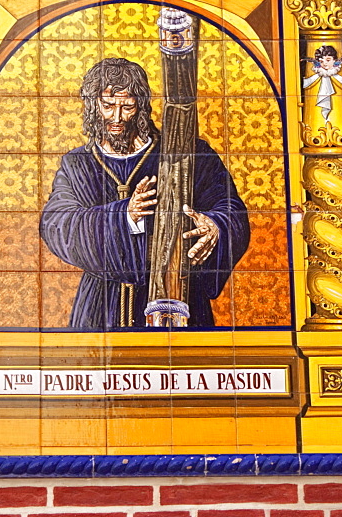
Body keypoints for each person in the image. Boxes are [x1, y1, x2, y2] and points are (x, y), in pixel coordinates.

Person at [39, 57, 250, 330]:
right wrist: (124, 215)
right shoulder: (78, 163)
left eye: (127, 106)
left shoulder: (188, 152)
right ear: (93, 106)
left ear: (140, 106)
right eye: (108, 106)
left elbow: (230, 208)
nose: (116, 117)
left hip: (177, 295)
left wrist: (216, 226)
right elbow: (57, 223)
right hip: (102, 304)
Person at [302, 44, 342, 122]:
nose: (324, 64)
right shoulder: (316, 75)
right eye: (321, 61)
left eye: (328, 60)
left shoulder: (340, 77)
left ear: (334, 60)